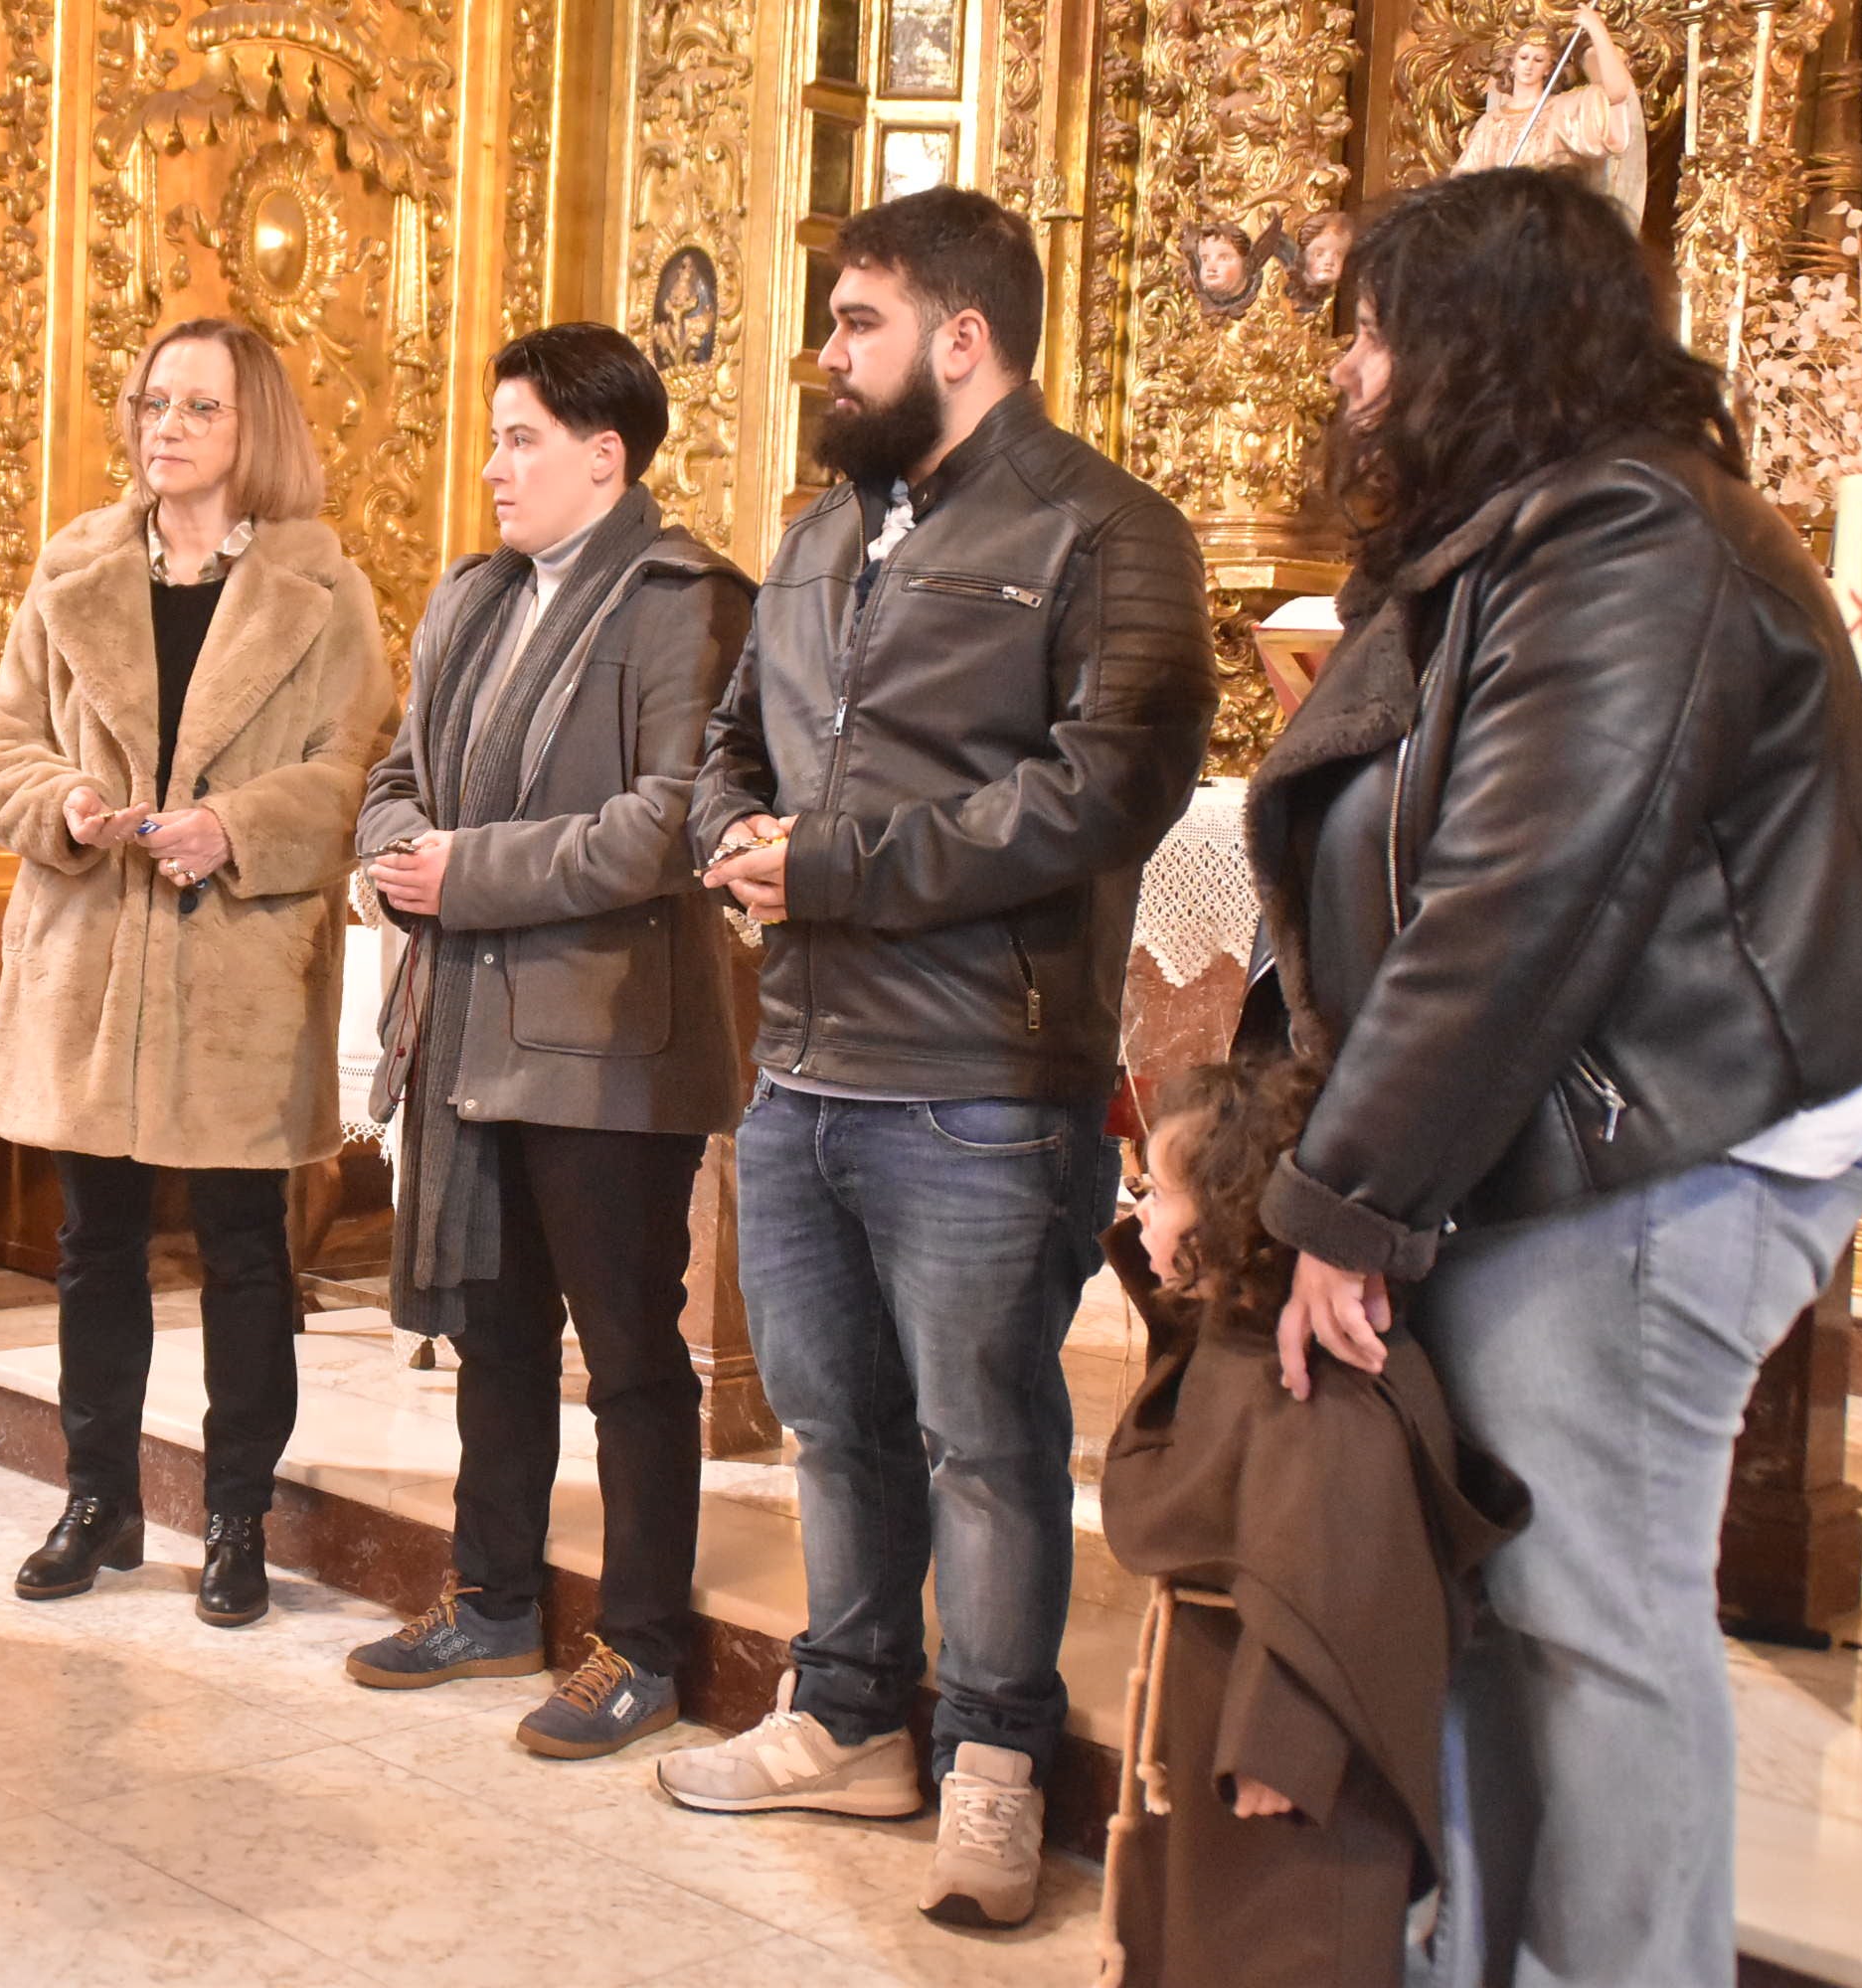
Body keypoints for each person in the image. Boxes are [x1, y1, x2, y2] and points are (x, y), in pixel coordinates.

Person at [1253, 167, 1862, 1988]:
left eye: (1377, 333)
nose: (1350, 376)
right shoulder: (1525, 529)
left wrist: (1347, 1207)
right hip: (1543, 1137)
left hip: (1645, 1152)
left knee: (1589, 1610)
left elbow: (1522, 903)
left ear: (1477, 341)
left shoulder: (1633, 535)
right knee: (1501, 1603)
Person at [659, 186, 1216, 1929]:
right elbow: (726, 738)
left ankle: (991, 1760)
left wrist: (832, 865)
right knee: (833, 1426)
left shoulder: (1108, 533)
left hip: (982, 1072)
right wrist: (731, 830)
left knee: (983, 1437)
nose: (827, 355)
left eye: (855, 321)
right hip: (804, 1061)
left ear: (959, 338)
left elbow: (1106, 791)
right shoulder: (822, 536)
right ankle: (843, 1717)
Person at [341, 324, 754, 1757]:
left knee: (632, 1353)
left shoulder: (685, 599)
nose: (495, 465)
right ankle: (498, 1596)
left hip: (609, 1040)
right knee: (496, 1337)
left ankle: (640, 1643)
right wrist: (400, 853)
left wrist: (468, 874)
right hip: (472, 1031)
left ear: (605, 454)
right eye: (494, 435)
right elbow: (394, 780)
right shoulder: (470, 597)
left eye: (523, 438)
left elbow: (664, 823)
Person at [0, 316, 394, 1629]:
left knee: (249, 1255)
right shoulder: (76, 568)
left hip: (237, 972)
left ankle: (237, 1522)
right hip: (91, 958)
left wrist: (238, 829)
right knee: (95, 1247)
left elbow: (352, 776)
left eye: (200, 407)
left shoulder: (328, 590)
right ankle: (99, 1501)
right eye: (154, 403)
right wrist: (68, 803)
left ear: (253, 426)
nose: (167, 429)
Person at [1092, 1056, 1527, 1988]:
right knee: (1212, 1934)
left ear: (1233, 1221)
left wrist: (1285, 1741)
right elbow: (1184, 1354)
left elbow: (1338, 1556)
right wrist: (1163, 1253)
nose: (1141, 1216)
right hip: (1221, 1706)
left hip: (1294, 1766)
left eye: (1156, 1194)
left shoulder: (1315, 1385)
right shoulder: (1245, 1332)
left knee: (1289, 1943)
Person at [1451, 8, 1645, 230]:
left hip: (1550, 229)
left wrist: (1596, 29)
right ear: (1512, 63)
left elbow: (1618, 93)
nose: (1529, 65)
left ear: (1549, 68)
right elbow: (1463, 184)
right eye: (1523, 57)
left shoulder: (1564, 110)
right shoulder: (1490, 123)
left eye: (1538, 59)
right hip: (1503, 231)